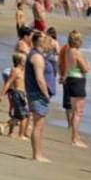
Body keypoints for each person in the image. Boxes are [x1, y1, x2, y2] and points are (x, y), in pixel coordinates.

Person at [24, 31, 55, 163]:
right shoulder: (37, 56)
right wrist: (46, 94)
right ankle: (36, 155)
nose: (47, 39)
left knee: (40, 125)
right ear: (39, 41)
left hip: (37, 93)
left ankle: (39, 153)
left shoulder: (40, 55)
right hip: (38, 94)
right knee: (38, 125)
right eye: (44, 37)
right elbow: (39, 78)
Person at [64, 30, 91, 148]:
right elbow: (85, 68)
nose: (81, 41)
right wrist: (87, 65)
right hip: (78, 80)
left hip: (71, 79)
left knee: (75, 110)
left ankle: (75, 135)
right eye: (80, 39)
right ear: (77, 40)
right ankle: (74, 138)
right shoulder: (76, 52)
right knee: (78, 112)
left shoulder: (68, 51)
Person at [0, 52, 29, 140]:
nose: (26, 62)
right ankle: (21, 135)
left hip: (22, 94)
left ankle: (6, 128)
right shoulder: (15, 70)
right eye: (24, 60)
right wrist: (1, 95)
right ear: (19, 61)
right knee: (24, 116)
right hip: (17, 93)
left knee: (18, 115)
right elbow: (8, 83)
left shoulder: (24, 71)